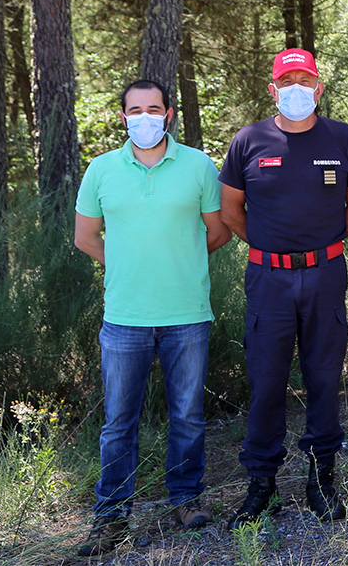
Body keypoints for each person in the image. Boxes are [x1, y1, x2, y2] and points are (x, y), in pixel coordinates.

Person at [73, 80, 231, 556]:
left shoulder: (199, 166)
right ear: (123, 116)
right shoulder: (101, 170)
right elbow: (85, 238)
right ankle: (111, 517)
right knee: (120, 421)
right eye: (135, 110)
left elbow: (219, 230)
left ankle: (185, 500)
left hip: (187, 314)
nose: (145, 117)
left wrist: (179, 261)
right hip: (125, 318)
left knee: (188, 415)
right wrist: (127, 265)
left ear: (169, 114)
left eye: (154, 109)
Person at [219, 48, 348, 527]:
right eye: (288, 82)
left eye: (305, 81)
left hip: (325, 275)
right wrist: (274, 250)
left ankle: (320, 479)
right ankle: (261, 485)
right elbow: (231, 212)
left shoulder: (342, 138)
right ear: (273, 90)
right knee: (266, 382)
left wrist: (315, 251)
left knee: (324, 378)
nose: (297, 90)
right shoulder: (249, 141)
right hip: (268, 279)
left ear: (319, 88)